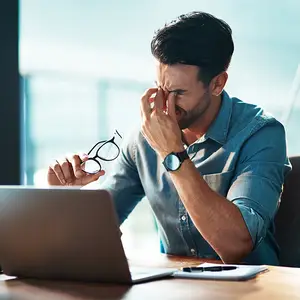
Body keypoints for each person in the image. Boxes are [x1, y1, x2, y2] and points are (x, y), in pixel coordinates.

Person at [48, 11, 291, 265]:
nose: (166, 104)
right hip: (174, 287)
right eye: (161, 88)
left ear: (217, 84)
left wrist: (172, 154)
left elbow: (236, 245)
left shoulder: (261, 134)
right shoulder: (143, 141)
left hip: (251, 290)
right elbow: (95, 233)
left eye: (179, 92)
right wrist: (66, 198)